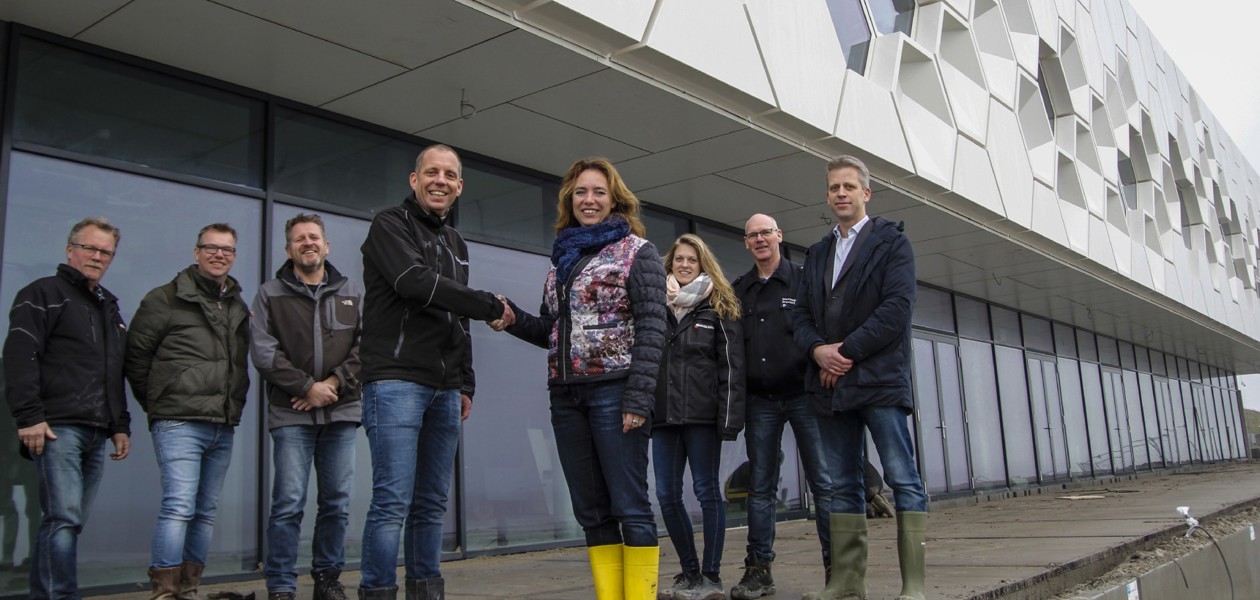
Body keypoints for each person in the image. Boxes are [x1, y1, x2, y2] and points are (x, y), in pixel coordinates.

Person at [497, 157, 667, 600]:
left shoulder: (637, 252)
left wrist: (638, 399)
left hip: (617, 391)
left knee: (630, 506)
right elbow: (552, 331)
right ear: (568, 201)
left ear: (615, 200)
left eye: (597, 192)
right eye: (580, 193)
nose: (588, 200)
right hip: (567, 397)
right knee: (591, 511)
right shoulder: (561, 261)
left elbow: (653, 326)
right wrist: (514, 319)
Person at [357, 144, 515, 600]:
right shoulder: (389, 225)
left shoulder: (457, 243)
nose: (440, 181)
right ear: (414, 179)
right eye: (432, 172)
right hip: (395, 380)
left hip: (445, 389)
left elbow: (456, 316)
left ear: (459, 186)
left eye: (449, 175)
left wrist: (465, 382)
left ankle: (427, 590)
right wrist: (490, 303)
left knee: (431, 503)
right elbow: (415, 283)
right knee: (391, 501)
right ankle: (378, 590)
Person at [792, 155, 927, 600]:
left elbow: (895, 310)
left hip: (879, 382)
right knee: (842, 483)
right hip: (830, 387)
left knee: (902, 477)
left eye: (849, 186)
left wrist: (844, 353)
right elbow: (803, 318)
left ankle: (913, 586)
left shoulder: (892, 244)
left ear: (866, 193)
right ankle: (848, 582)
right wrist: (817, 351)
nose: (841, 194)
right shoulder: (817, 253)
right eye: (834, 188)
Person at [2, 217, 131, 599]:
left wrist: (119, 424)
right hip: (57, 427)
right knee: (62, 518)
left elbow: (114, 371)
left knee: (67, 523)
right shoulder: (41, 293)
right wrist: (29, 417)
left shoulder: (110, 306)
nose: (97, 256)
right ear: (70, 249)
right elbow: (19, 355)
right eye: (89, 248)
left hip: (95, 429)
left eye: (105, 252)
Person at [125, 223, 250, 600]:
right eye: (211, 247)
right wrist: (159, 403)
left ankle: (189, 588)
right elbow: (135, 357)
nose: (219, 255)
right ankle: (165, 591)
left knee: (205, 511)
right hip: (178, 421)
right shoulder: (164, 299)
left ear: (234, 256)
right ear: (196, 252)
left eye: (227, 249)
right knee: (179, 505)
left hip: (221, 424)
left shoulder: (237, 306)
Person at [251, 214, 363, 600]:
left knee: (336, 503)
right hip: (291, 413)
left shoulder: (351, 291)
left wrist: (330, 385)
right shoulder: (270, 293)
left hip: (341, 411)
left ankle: (328, 580)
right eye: (300, 239)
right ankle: (281, 585)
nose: (308, 243)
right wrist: (305, 387)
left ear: (326, 246)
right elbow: (264, 352)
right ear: (289, 249)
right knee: (287, 503)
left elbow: (366, 348)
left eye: (314, 237)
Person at [728, 213, 834, 599]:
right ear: (746, 243)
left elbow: (826, 327)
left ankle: (837, 572)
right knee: (760, 487)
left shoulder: (806, 281)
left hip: (806, 396)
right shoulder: (740, 290)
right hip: (761, 402)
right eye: (752, 235)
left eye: (766, 233)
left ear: (779, 236)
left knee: (824, 484)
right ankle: (759, 572)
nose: (760, 240)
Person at [652, 234, 745, 600]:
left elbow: (732, 370)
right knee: (666, 495)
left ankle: (711, 575)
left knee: (707, 491)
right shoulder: (656, 306)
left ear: (703, 264)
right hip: (663, 419)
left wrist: (729, 420)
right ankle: (689, 572)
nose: (685, 265)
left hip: (703, 418)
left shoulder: (718, 308)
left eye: (692, 259)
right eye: (679, 259)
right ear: (671, 263)